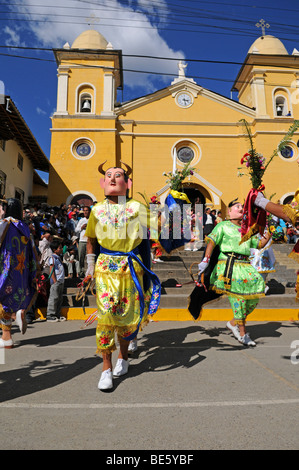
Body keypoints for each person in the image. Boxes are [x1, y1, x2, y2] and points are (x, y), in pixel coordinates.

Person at [85, 161, 161, 391]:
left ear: (126, 183)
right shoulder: (96, 209)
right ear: (103, 182)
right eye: (108, 175)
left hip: (131, 268)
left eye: (118, 175)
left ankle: (124, 357)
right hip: (106, 267)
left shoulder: (138, 207)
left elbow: (159, 230)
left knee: (127, 316)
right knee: (106, 316)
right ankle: (105, 368)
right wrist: (89, 266)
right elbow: (91, 240)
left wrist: (173, 203)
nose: (112, 178)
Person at [198, 198, 271, 346]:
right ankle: (243, 335)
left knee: (254, 299)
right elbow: (212, 241)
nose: (240, 208)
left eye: (242, 207)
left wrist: (270, 233)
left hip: (245, 266)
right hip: (228, 265)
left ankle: (233, 323)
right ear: (229, 212)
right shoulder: (223, 226)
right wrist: (206, 259)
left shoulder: (247, 229)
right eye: (237, 206)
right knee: (239, 299)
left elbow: (258, 244)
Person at [0, 197, 38, 348]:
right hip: (21, 269)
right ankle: (19, 312)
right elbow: (33, 248)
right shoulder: (24, 226)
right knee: (10, 297)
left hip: (5, 268)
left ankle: (7, 336)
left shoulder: (5, 224)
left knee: (3, 300)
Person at [46, 239, 66, 322]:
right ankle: (50, 315)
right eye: (60, 248)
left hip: (60, 281)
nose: (61, 249)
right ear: (55, 250)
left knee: (59, 298)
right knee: (54, 298)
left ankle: (57, 314)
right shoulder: (52, 258)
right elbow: (51, 269)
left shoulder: (58, 258)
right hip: (56, 282)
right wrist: (54, 281)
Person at [75, 205, 91, 277]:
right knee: (81, 256)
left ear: (90, 212)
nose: (85, 212)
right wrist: (82, 227)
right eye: (84, 210)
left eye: (86, 210)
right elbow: (76, 230)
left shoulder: (92, 219)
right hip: (82, 240)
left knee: (89, 257)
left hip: (90, 240)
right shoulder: (81, 220)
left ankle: (89, 272)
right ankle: (81, 272)